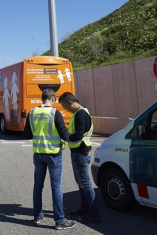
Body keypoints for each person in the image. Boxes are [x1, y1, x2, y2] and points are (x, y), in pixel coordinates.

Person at [23, 88, 76, 230]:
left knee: (38, 186)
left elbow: (26, 134)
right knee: (56, 187)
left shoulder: (32, 112)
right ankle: (59, 221)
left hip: (38, 154)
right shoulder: (54, 113)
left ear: (42, 98)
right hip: (53, 154)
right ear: (52, 98)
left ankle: (37, 216)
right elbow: (64, 135)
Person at [58, 92, 101, 223]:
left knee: (85, 183)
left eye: (65, 106)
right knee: (81, 182)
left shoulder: (80, 114)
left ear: (70, 102)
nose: (65, 109)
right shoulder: (80, 113)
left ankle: (94, 214)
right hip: (80, 152)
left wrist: (65, 137)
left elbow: (78, 135)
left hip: (81, 153)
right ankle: (84, 208)